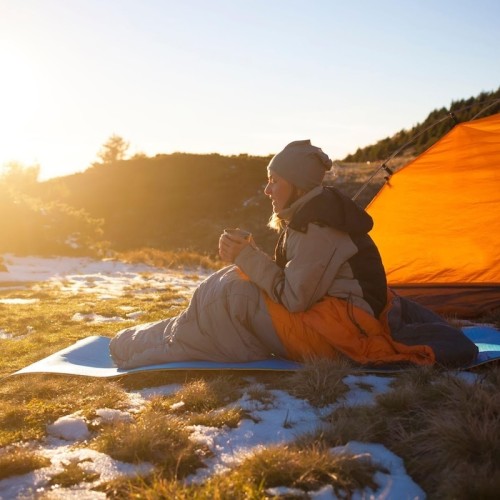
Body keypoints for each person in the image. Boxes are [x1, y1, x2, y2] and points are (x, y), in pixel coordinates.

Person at [110, 140, 478, 369]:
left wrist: (246, 258)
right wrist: (250, 256)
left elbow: (295, 297)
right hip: (337, 313)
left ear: (297, 185)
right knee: (227, 289)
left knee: (230, 295)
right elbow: (297, 279)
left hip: (335, 331)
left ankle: (136, 349)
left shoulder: (316, 226)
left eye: (275, 181)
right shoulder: (311, 214)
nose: (268, 189)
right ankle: (147, 338)